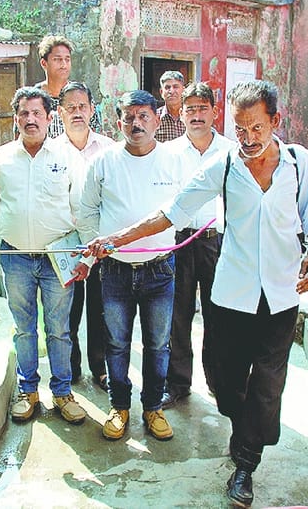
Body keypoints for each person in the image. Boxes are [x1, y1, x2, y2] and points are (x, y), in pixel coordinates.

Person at [84, 80, 308, 507]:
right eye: (241, 128)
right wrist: (117, 238)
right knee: (224, 380)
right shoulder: (225, 164)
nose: (248, 138)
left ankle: (245, 463)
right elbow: (172, 211)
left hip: (282, 293)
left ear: (275, 121)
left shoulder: (296, 161)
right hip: (232, 293)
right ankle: (248, 425)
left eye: (257, 127)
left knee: (268, 383)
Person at [0, 86, 89, 425]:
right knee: (24, 329)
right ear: (15, 119)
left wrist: (87, 255)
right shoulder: (1, 158)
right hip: (16, 257)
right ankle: (28, 391)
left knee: (59, 330)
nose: (30, 119)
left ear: (50, 118)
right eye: (24, 113)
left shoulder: (66, 157)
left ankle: (63, 393)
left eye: (37, 113)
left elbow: (83, 209)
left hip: (58, 258)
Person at [76, 90, 186, 441]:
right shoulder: (104, 162)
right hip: (115, 271)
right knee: (117, 342)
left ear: (157, 119)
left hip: (160, 269)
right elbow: (85, 210)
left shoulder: (174, 161)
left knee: (158, 344)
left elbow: (183, 213)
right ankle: (119, 406)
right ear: (118, 121)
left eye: (143, 116)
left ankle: (152, 407)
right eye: (129, 117)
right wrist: (96, 246)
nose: (136, 123)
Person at [160, 82, 235, 409]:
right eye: (190, 109)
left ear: (215, 112)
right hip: (179, 242)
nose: (196, 115)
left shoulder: (230, 151)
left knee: (218, 313)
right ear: (182, 114)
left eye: (203, 108)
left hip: (217, 242)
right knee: (178, 314)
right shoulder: (170, 152)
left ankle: (218, 382)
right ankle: (178, 383)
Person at [54, 81, 115, 390]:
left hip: (101, 243)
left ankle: (100, 367)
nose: (77, 113)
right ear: (60, 112)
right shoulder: (51, 151)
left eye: (82, 106)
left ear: (92, 109)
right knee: (68, 310)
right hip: (66, 245)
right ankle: (71, 366)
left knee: (100, 309)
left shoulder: (109, 149)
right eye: (71, 108)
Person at [34, 35, 101, 138]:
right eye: (57, 59)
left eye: (67, 59)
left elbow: (95, 135)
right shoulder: (33, 98)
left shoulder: (81, 95)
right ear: (44, 63)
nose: (64, 65)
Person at [154, 70, 186, 142]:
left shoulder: (190, 116)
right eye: (167, 87)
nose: (171, 91)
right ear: (161, 92)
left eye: (175, 87)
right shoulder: (154, 117)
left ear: (183, 91)